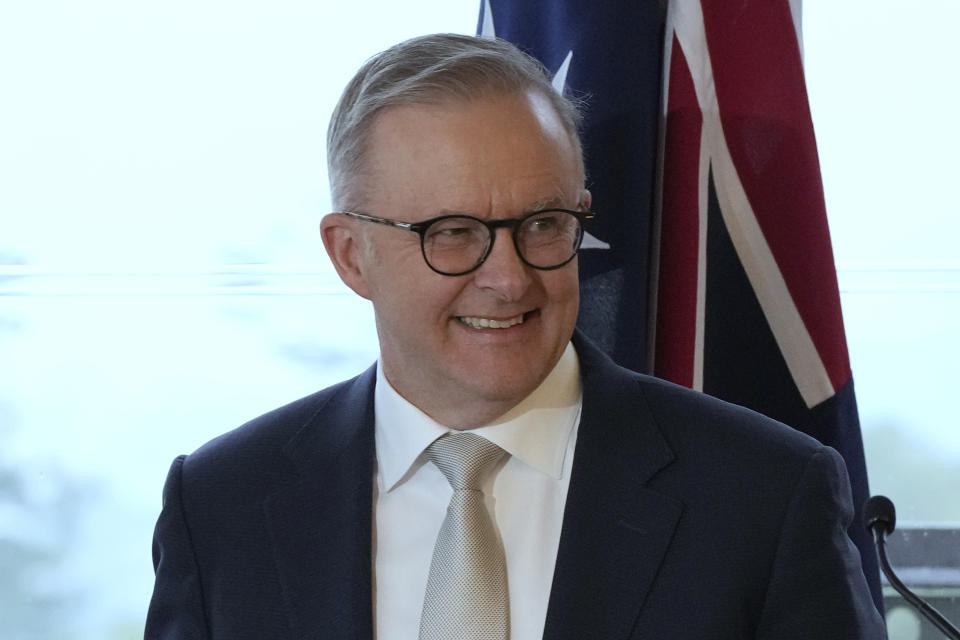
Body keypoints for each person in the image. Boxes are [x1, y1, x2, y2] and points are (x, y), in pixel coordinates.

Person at [145, 33, 885, 639]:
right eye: (455, 234)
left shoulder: (764, 496)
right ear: (350, 255)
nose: (508, 278)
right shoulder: (222, 509)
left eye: (542, 225)